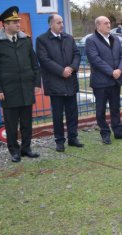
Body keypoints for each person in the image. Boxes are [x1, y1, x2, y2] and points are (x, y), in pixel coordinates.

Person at [0, 6, 41, 162]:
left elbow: (35, 64)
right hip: (8, 91)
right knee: (11, 125)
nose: (18, 24)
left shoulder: (26, 40)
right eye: (14, 22)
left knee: (27, 122)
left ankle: (26, 148)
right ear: (5, 25)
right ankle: (14, 151)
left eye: (18, 21)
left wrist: (37, 83)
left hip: (26, 88)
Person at [36, 14, 83, 152]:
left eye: (62, 22)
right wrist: (61, 71)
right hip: (55, 82)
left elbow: (77, 54)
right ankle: (59, 141)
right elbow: (44, 59)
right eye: (58, 22)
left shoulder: (69, 38)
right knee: (57, 114)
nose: (61, 25)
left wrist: (72, 68)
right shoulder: (42, 40)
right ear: (51, 24)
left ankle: (73, 138)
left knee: (72, 112)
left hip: (70, 81)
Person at [86, 16, 122, 144]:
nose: (108, 25)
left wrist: (119, 70)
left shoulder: (115, 38)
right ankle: (105, 133)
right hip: (101, 82)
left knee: (115, 108)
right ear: (98, 26)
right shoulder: (91, 40)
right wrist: (111, 72)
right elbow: (95, 60)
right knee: (100, 109)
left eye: (109, 23)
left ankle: (118, 132)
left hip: (115, 81)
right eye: (105, 23)